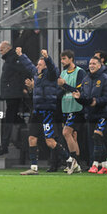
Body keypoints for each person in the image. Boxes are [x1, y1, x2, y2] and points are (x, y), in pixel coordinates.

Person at [16, 47, 72, 175]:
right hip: (37, 111)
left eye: (40, 64)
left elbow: (52, 67)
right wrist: (21, 55)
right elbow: (28, 65)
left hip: (47, 111)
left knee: (50, 141)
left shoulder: (52, 74)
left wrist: (47, 57)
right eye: (38, 64)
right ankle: (34, 168)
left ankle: (70, 160)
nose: (37, 66)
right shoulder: (36, 73)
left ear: (45, 66)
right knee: (31, 138)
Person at [72, 56, 107, 174]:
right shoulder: (86, 79)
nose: (91, 65)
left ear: (100, 65)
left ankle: (95, 164)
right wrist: (79, 99)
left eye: (94, 63)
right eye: (90, 63)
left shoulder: (106, 79)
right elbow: (85, 98)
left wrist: (97, 102)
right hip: (90, 114)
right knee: (95, 140)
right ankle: (104, 165)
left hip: (103, 114)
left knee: (98, 136)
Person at [0, 41, 30, 156]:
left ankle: (5, 146)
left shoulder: (13, 58)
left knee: (9, 119)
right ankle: (20, 142)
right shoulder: (9, 59)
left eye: (1, 50)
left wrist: (22, 87)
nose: (0, 52)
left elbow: (24, 71)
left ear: (7, 48)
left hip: (13, 94)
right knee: (14, 118)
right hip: (11, 93)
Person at [57, 50, 86, 172]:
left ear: (71, 59)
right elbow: (60, 91)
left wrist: (65, 85)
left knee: (66, 132)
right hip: (65, 107)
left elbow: (78, 91)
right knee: (72, 136)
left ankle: (73, 161)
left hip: (76, 108)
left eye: (64, 59)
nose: (62, 61)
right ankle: (77, 164)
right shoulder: (63, 73)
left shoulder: (80, 72)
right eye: (61, 59)